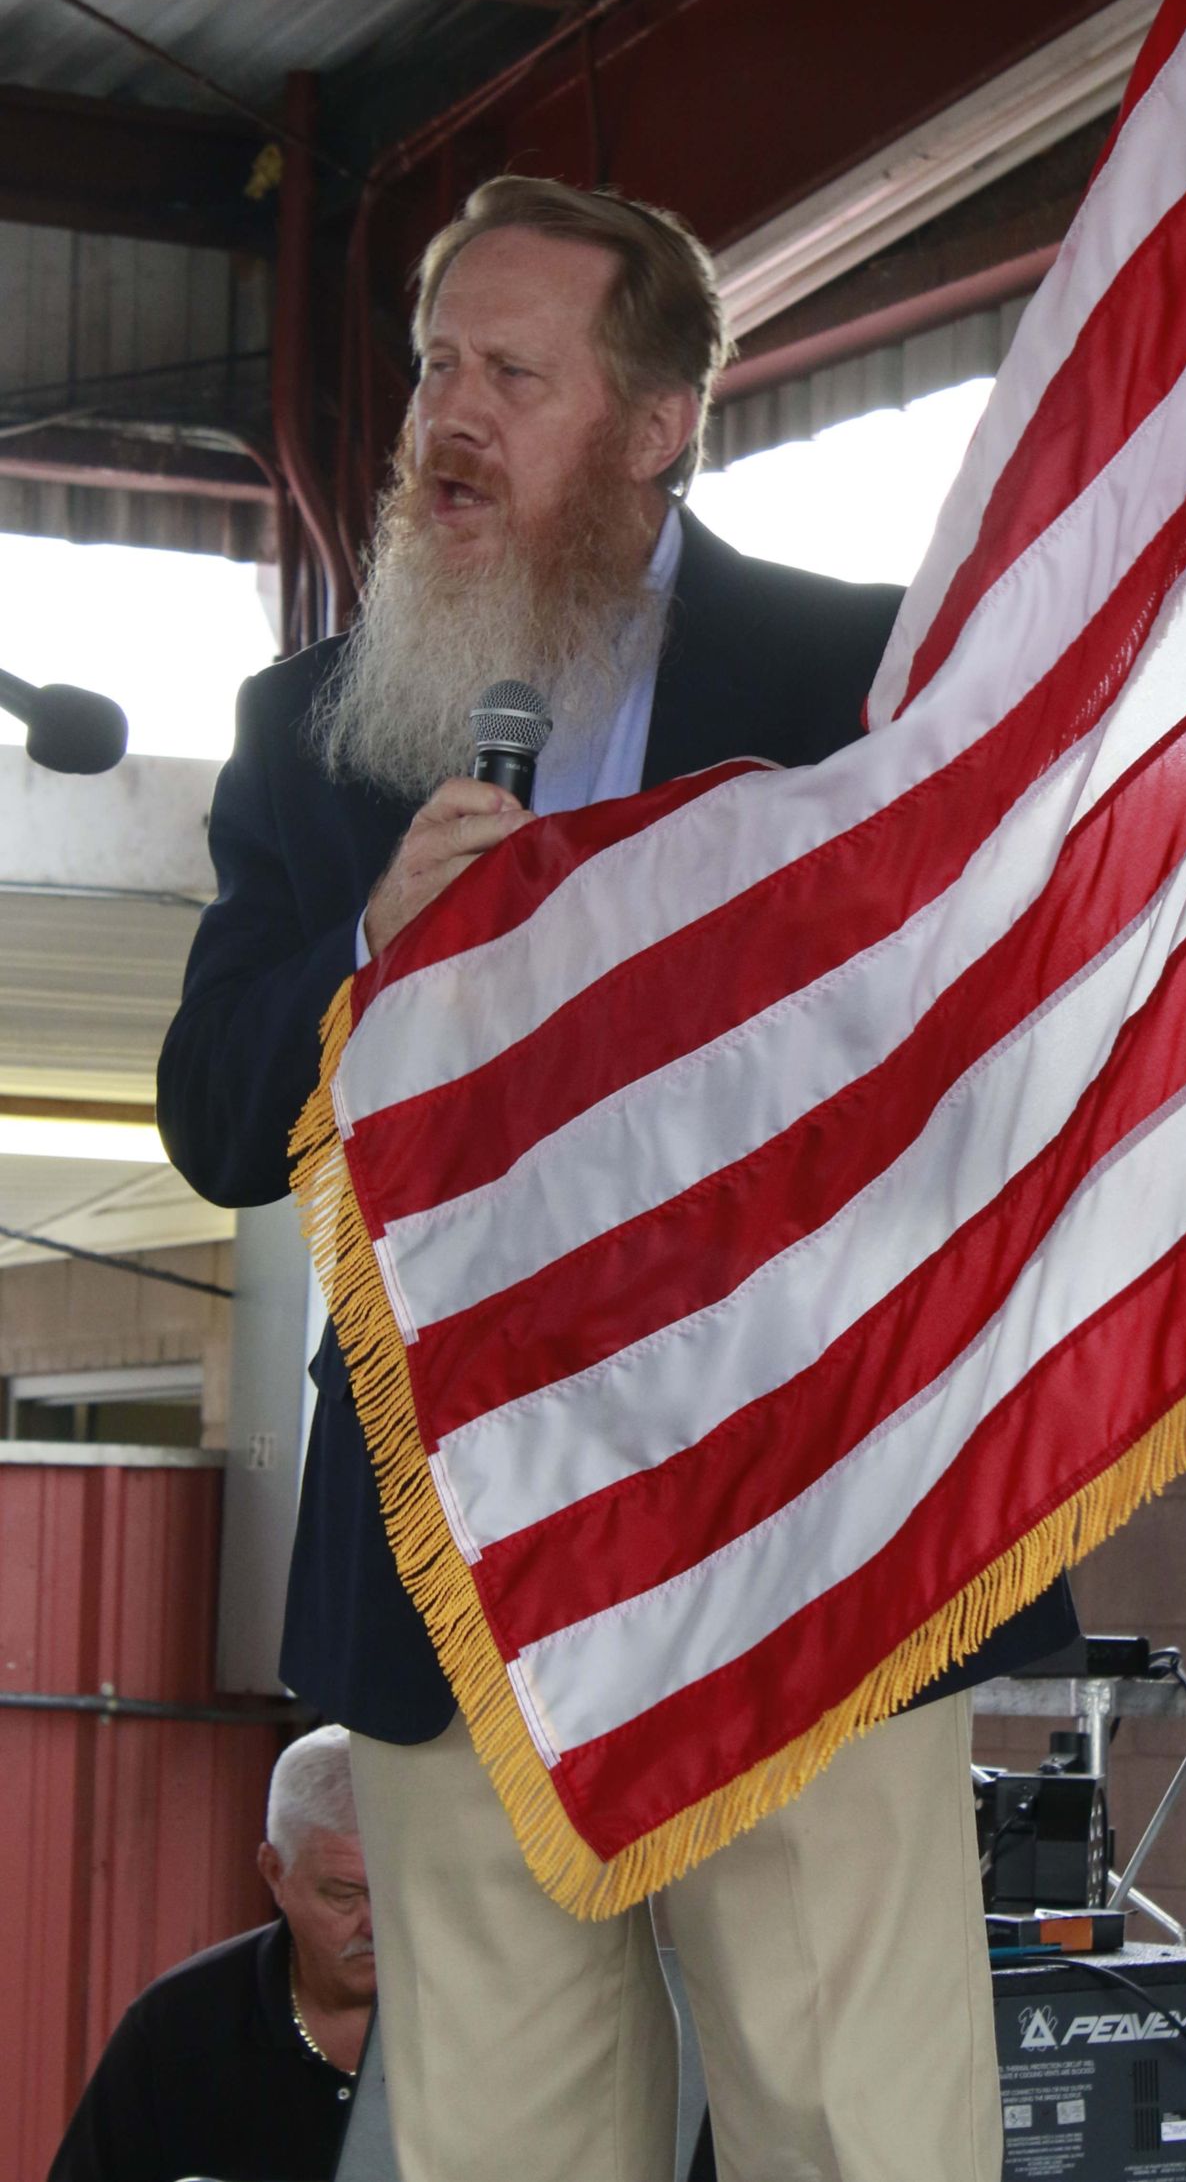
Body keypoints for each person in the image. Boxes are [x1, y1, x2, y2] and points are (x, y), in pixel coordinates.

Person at [158, 176, 1078, 2182]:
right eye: (434, 369)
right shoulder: (310, 729)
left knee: (855, 2132)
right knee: (497, 2146)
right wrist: (367, 958)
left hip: (801, 1517)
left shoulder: (865, 677)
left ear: (657, 422)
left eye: (513, 373)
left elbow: (1001, 1042)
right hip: (458, 1548)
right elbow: (216, 1112)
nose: (449, 417)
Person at [50, 1725, 374, 2182]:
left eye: (393, 1894)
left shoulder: (470, 2010)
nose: (374, 1925)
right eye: (344, 1894)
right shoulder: (176, 2028)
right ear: (275, 1873)